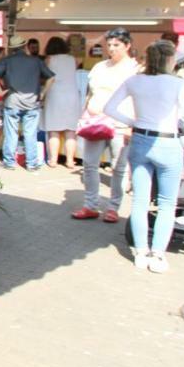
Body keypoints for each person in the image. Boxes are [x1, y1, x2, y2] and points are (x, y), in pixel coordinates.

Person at [104, 39, 184, 273]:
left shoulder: (134, 81)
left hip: (140, 139)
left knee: (140, 200)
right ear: (171, 60)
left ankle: (140, 251)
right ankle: (158, 253)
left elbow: (109, 108)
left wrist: (134, 122)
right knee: (167, 203)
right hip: (168, 141)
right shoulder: (179, 84)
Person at [73, 27, 139, 223]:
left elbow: (137, 99)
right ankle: (90, 205)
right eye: (109, 45)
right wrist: (84, 114)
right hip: (95, 122)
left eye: (116, 45)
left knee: (118, 168)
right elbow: (90, 93)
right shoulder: (100, 67)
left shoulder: (135, 69)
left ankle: (113, 207)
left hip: (121, 124)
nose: (112, 49)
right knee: (89, 164)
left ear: (127, 46)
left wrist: (131, 125)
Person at [0, 34, 55, 171]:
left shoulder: (6, 61)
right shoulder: (36, 61)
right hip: (32, 103)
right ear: (24, 45)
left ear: (12, 48)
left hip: (12, 101)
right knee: (30, 133)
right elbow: (51, 77)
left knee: (11, 133)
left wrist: (0, 91)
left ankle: (9, 162)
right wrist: (43, 93)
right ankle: (31, 164)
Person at [41, 36, 80, 169]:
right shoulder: (72, 59)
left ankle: (53, 160)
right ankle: (70, 160)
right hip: (72, 95)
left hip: (55, 95)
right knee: (70, 130)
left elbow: (45, 76)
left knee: (54, 130)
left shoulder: (49, 59)